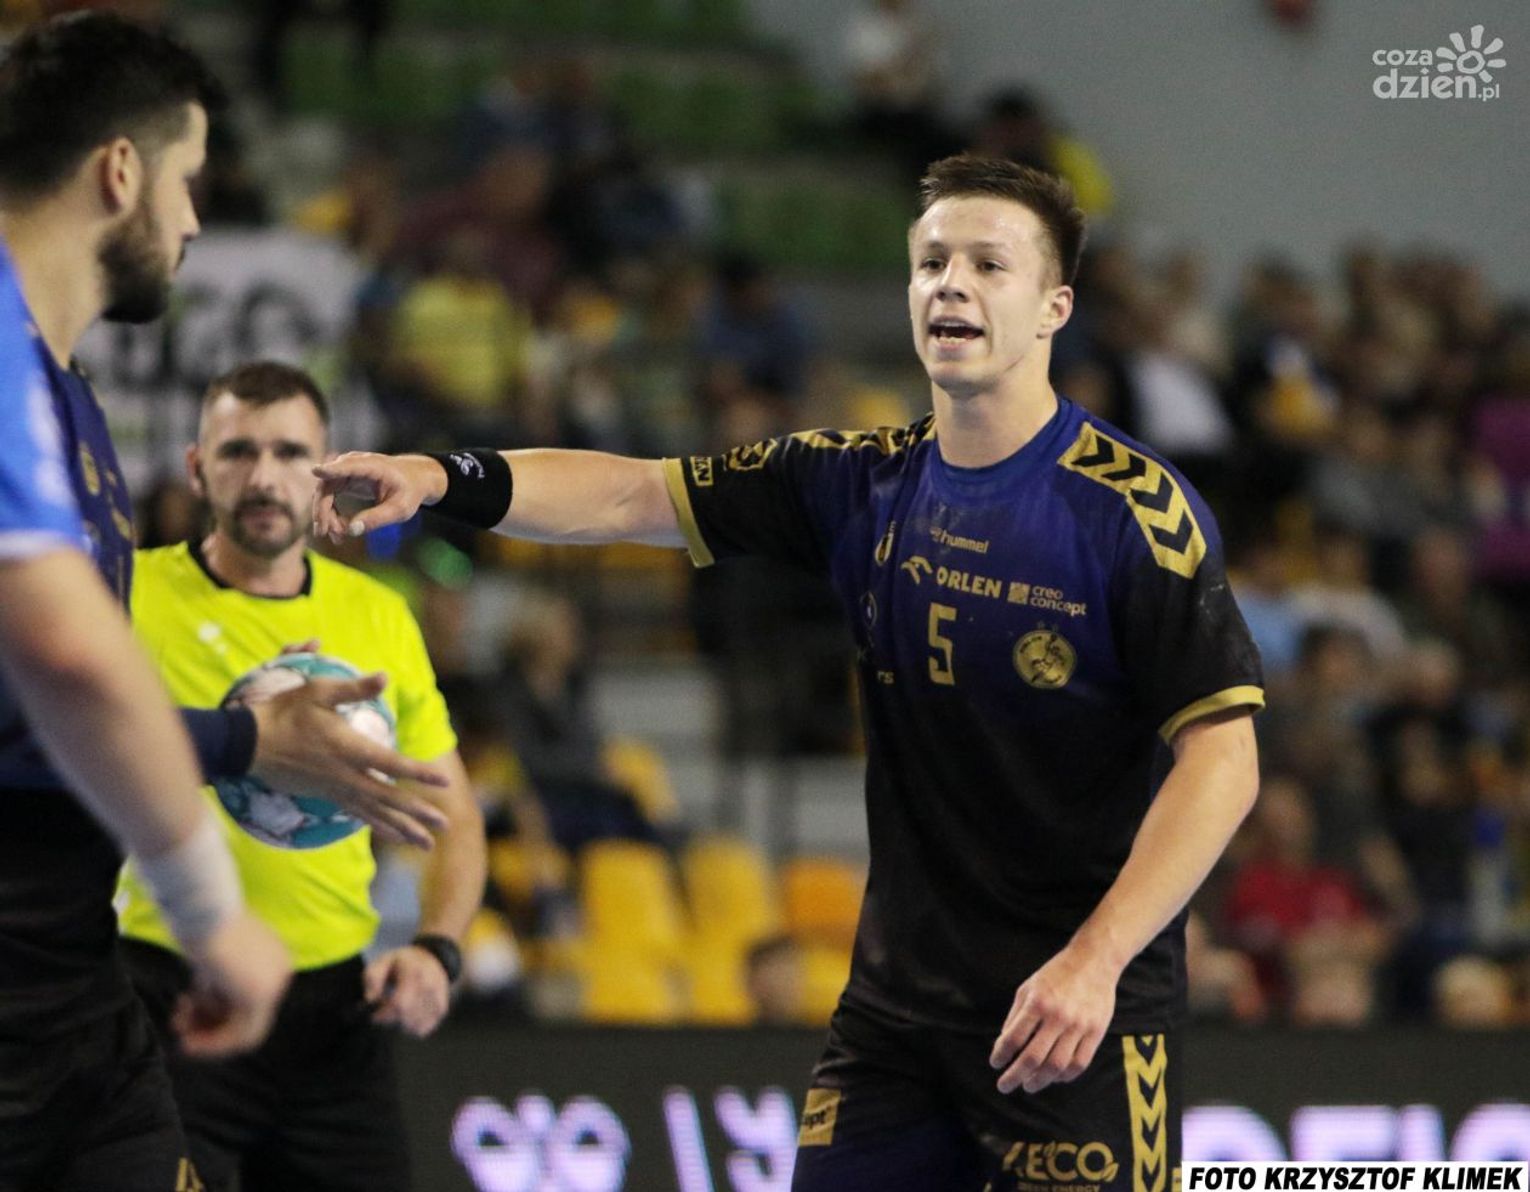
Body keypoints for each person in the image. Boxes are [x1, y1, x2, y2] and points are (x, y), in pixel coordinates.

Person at [315, 154, 1264, 1190]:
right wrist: (436, 475)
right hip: (895, 1020)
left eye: (989, 266)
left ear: (1053, 308)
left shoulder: (1133, 513)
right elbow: (632, 495)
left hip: (1074, 1016)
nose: (951, 285)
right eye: (932, 262)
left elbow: (1223, 762)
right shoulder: (858, 479)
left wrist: (1097, 959)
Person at [0, 14, 444, 1191]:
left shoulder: (66, 395)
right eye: (188, 179)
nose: (196, 220)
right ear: (120, 171)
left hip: (80, 1001)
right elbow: (55, 676)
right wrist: (224, 855)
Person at [117, 361, 487, 1192]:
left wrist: (437, 950)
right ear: (196, 469)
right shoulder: (128, 597)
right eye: (237, 451)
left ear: (328, 473)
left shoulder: (377, 616)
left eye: (289, 453)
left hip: (333, 1012)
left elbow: (454, 814)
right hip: (169, 992)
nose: (263, 476)